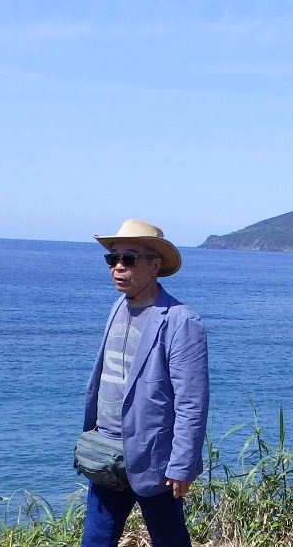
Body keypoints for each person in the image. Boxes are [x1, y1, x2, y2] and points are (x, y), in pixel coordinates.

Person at [80, 220, 209, 547]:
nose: (118, 267)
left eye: (130, 259)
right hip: (106, 452)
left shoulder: (181, 321)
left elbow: (191, 401)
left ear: (155, 266)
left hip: (155, 460)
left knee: (169, 541)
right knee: (95, 540)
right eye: (113, 259)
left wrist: (182, 465)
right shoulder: (117, 308)